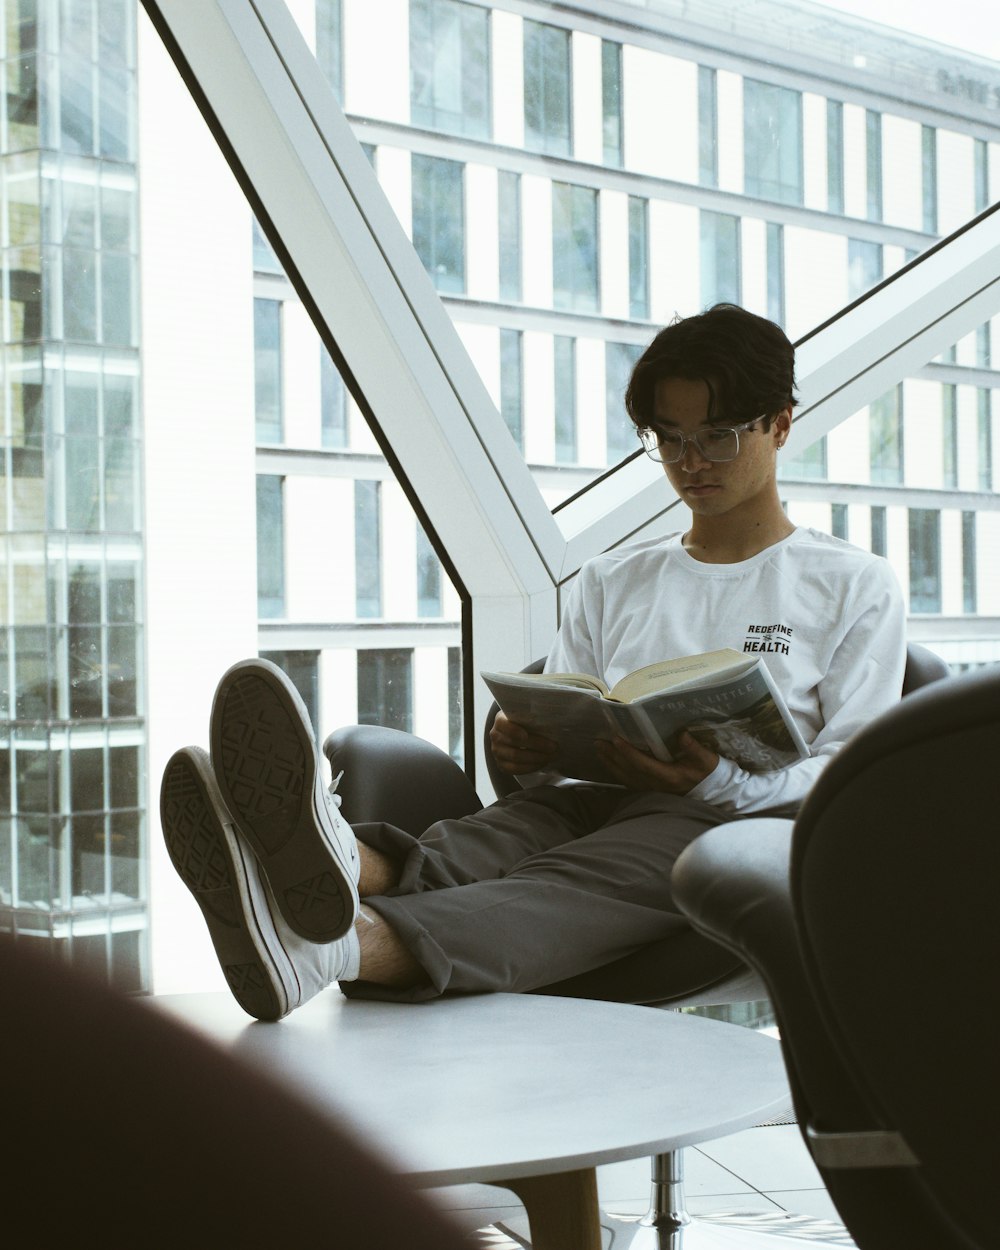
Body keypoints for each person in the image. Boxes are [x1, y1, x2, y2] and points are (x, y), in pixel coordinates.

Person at [161, 303, 906, 1021]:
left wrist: (718, 778)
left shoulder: (851, 584)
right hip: (606, 798)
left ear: (779, 424)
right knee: (507, 828)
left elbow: (853, 774)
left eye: (717, 437)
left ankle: (332, 947)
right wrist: (526, 749)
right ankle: (332, 859)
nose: (690, 463)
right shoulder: (616, 579)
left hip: (739, 827)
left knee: (574, 878)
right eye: (669, 439)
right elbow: (572, 728)